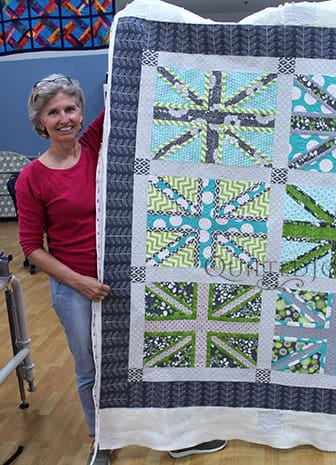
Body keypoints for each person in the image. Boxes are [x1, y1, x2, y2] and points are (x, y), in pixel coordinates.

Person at [16, 74, 226, 465]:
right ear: (40, 120)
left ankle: (172, 439)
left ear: (81, 113)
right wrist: (79, 282)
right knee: (90, 368)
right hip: (74, 286)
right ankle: (104, 442)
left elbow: (131, 92)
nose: (64, 118)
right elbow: (30, 247)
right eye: (53, 112)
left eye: (71, 108)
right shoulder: (32, 178)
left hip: (123, 277)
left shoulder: (94, 145)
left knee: (149, 360)